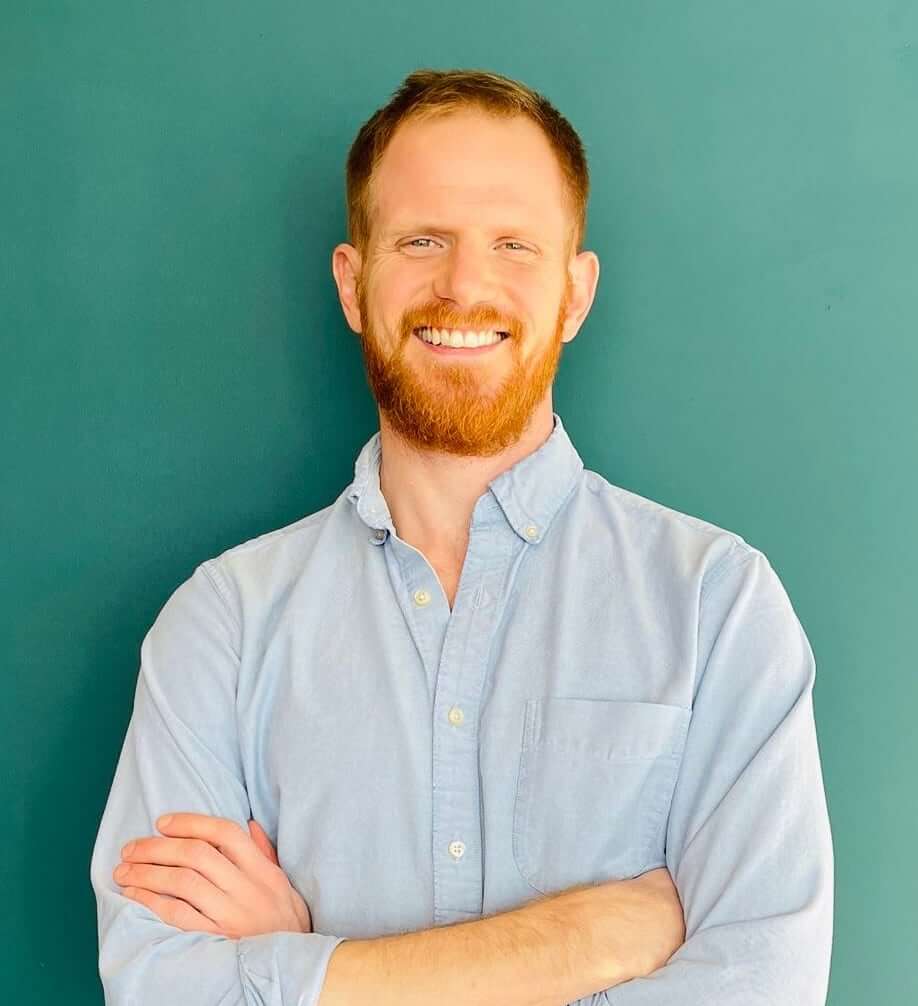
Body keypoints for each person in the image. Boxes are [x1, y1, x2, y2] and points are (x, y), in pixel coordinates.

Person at [90, 68, 834, 1006]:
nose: (464, 285)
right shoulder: (223, 625)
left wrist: (306, 967)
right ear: (354, 285)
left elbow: (760, 989)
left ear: (575, 291)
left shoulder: (717, 605)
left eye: (514, 244)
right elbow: (159, 989)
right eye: (422, 239)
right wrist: (574, 943)